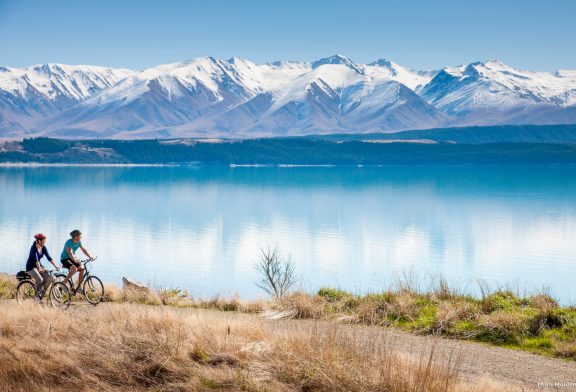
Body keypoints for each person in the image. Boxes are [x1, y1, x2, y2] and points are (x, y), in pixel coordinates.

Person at [26, 233, 59, 302]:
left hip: (39, 266)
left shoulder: (43, 248)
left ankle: (41, 295)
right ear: (39, 241)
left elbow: (49, 258)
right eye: (44, 240)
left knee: (50, 277)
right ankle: (36, 296)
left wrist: (56, 266)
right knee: (40, 279)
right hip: (31, 267)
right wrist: (40, 269)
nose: (45, 242)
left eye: (45, 240)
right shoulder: (33, 248)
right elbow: (36, 260)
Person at [60, 229, 94, 294]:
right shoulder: (68, 242)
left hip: (72, 258)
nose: (81, 237)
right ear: (75, 236)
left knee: (82, 269)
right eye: (79, 236)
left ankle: (78, 287)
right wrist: (75, 260)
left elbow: (83, 250)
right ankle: (64, 283)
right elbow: (70, 253)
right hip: (64, 259)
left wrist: (90, 256)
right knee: (74, 269)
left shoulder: (79, 242)